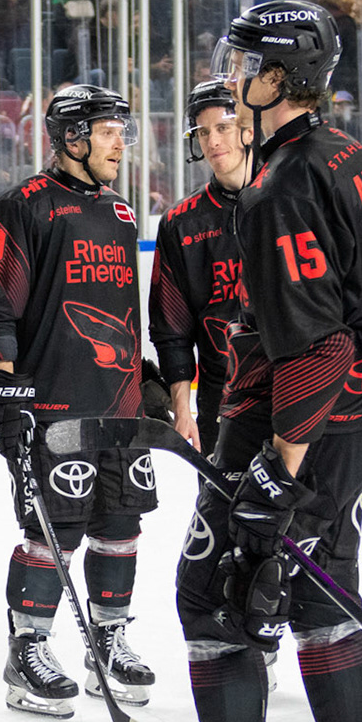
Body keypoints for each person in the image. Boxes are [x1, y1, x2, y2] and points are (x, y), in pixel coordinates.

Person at [159, 0, 362, 722]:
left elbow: (315, 346)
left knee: (214, 593)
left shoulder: (278, 189)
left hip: (298, 425)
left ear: (277, 79)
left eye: (244, 67)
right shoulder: (353, 157)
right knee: (320, 591)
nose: (234, 81)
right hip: (357, 418)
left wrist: (279, 470)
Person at [0, 85, 157, 717]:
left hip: (118, 399)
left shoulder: (123, 213)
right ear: (72, 137)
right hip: (54, 406)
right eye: (107, 131)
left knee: (121, 523)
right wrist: (4, 382)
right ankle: (28, 649)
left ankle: (109, 638)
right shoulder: (24, 206)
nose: (118, 144)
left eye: (120, 132)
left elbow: (119, 305)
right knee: (53, 528)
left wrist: (143, 371)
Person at [150, 81, 249, 463]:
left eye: (222, 127)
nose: (212, 141)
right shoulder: (181, 223)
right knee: (223, 516)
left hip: (293, 389)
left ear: (247, 129)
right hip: (220, 397)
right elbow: (171, 327)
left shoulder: (291, 201)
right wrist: (183, 407)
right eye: (203, 132)